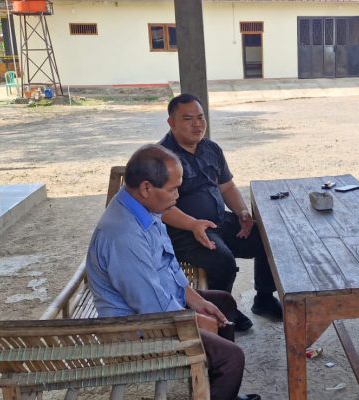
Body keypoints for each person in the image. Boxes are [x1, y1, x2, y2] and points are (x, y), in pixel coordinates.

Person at [86, 144, 260, 400]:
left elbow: (166, 263)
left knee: (224, 303)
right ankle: (220, 381)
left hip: (154, 308)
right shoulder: (124, 236)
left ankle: (214, 390)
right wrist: (194, 321)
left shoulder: (141, 206)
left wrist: (197, 301)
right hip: (133, 328)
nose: (178, 196)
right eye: (173, 189)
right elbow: (151, 309)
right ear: (146, 188)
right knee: (232, 358)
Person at [158, 93, 282, 331]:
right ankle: (223, 312)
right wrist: (193, 224)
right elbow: (162, 208)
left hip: (219, 222)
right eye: (188, 119)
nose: (197, 124)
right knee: (222, 261)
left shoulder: (211, 148)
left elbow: (227, 186)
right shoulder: (162, 157)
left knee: (266, 238)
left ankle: (264, 299)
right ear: (171, 123)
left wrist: (242, 212)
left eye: (200, 117)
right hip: (185, 232)